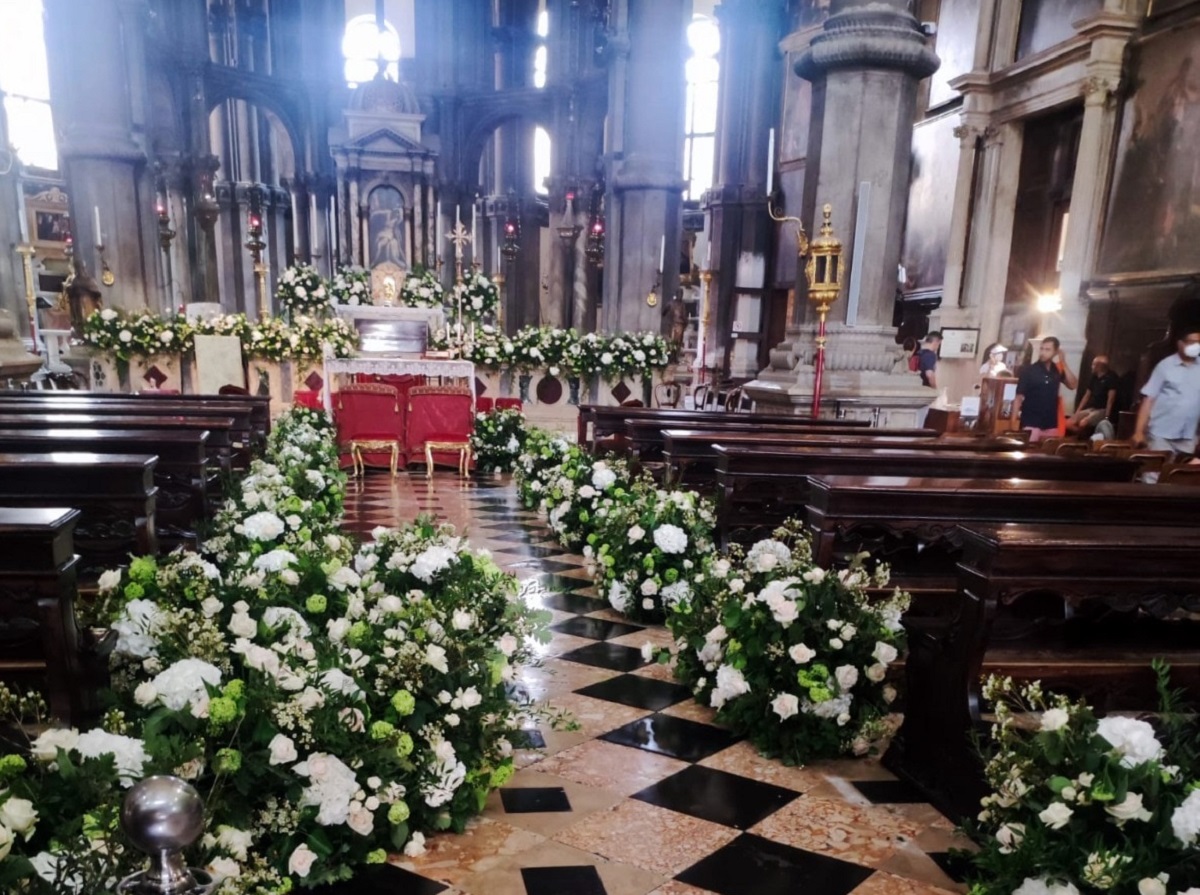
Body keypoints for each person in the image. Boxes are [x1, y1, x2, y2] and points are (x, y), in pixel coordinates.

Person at [1132, 328, 1200, 457]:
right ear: (1180, 343)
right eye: (1191, 342)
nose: (1196, 346)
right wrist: (1139, 431)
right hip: (1161, 433)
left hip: (1189, 436)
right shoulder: (1165, 366)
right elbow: (1149, 399)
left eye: (1198, 342)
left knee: (1181, 475)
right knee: (1155, 474)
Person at [1011, 336, 1078, 442]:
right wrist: (1013, 423)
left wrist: (1063, 362)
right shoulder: (1029, 370)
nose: (1043, 352)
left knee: (1047, 454)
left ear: (1056, 352)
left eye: (1047, 350)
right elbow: (1018, 397)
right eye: (1042, 349)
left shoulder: (1056, 370)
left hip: (1051, 423)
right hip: (1031, 422)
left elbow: (1073, 385)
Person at [1066, 355, 1118, 434]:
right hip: (1092, 408)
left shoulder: (1111, 377)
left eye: (1093, 364)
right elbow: (1086, 396)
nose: (1092, 366)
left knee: (1083, 422)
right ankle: (1078, 437)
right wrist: (1078, 411)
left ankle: (1084, 441)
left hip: (1102, 410)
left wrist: (1107, 417)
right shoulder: (1094, 377)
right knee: (1068, 422)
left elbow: (1110, 399)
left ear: (1100, 366)